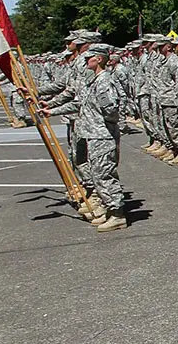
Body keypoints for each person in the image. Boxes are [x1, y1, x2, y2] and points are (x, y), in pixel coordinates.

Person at [44, 43, 128, 232]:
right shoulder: (94, 80)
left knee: (105, 175)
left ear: (98, 59)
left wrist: (103, 125)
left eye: (88, 57)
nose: (84, 60)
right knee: (98, 175)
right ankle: (109, 209)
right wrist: (51, 110)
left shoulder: (104, 80)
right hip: (94, 135)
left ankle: (118, 214)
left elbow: (111, 110)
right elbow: (80, 105)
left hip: (103, 135)